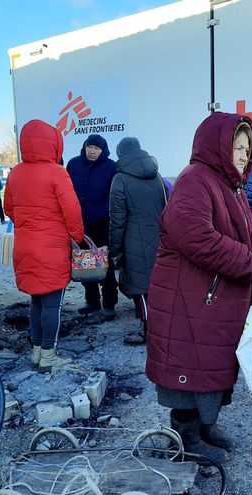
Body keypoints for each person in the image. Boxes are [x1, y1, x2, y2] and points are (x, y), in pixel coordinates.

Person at [146, 113, 252, 466]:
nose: (244, 156)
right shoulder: (196, 180)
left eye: (247, 148)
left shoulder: (229, 184)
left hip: (209, 299)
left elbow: (243, 232)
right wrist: (249, 263)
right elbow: (194, 237)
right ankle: (185, 437)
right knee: (189, 369)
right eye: (237, 147)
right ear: (217, 146)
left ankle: (204, 429)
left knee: (208, 366)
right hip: (191, 299)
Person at [4, 119, 85, 372]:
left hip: (25, 246)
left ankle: (37, 352)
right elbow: (72, 211)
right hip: (51, 248)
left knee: (36, 302)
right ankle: (49, 356)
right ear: (53, 144)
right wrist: (77, 237)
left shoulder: (16, 172)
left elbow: (9, 209)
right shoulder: (57, 172)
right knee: (52, 304)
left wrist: (28, 227)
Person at [109, 137, 167, 345]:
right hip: (161, 241)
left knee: (141, 290)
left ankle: (148, 333)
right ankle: (161, 330)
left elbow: (117, 220)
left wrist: (114, 250)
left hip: (133, 242)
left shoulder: (120, 179)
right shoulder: (157, 176)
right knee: (159, 288)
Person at [66, 134, 118, 320]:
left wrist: (102, 211)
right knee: (84, 263)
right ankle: (92, 301)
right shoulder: (73, 164)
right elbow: (67, 191)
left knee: (105, 264)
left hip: (103, 225)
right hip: (80, 224)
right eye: (89, 147)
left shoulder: (111, 167)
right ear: (84, 147)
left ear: (102, 150)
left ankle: (109, 304)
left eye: (96, 148)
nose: (92, 151)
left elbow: (113, 194)